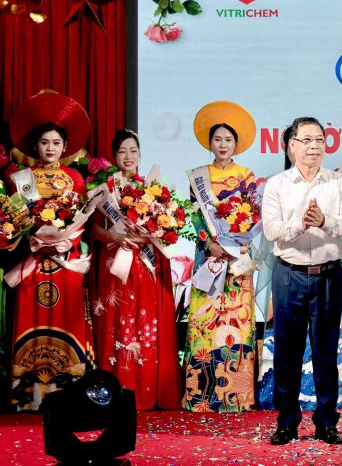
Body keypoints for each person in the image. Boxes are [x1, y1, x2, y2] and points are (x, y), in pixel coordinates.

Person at [262, 116, 342, 445]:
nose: (314, 146)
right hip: (289, 274)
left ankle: (327, 422)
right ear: (291, 146)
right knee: (287, 351)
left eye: (320, 140)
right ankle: (287, 421)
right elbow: (272, 231)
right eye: (307, 140)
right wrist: (300, 225)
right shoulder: (277, 185)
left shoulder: (338, 183)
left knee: (326, 350)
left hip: (328, 274)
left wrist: (325, 220)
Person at [4, 90, 96, 411]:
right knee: (32, 319)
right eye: (45, 143)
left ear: (65, 147)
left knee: (65, 319)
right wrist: (34, 237)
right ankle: (28, 396)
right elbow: (14, 217)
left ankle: (68, 395)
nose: (51, 149)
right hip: (32, 261)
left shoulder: (74, 178)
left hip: (64, 262)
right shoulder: (20, 179)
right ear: (35, 146)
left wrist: (64, 240)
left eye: (57, 143)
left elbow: (82, 219)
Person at [91, 129, 182, 410]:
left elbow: (168, 228)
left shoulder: (153, 188)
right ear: (114, 156)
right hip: (116, 262)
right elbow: (94, 228)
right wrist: (118, 237)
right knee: (118, 322)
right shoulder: (105, 189)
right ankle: (118, 389)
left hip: (146, 263)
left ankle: (151, 388)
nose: (128, 157)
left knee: (147, 322)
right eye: (122, 152)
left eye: (133, 151)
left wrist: (152, 233)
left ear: (140, 154)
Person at [182, 101, 258, 413]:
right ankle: (199, 395)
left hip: (238, 257)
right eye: (217, 139)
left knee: (236, 322)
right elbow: (194, 216)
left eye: (228, 139)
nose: (223, 144)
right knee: (205, 322)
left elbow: (254, 213)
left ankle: (237, 396)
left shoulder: (246, 174)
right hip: (209, 258)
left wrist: (238, 242)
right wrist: (210, 244)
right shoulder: (198, 177)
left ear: (236, 144)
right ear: (209, 143)